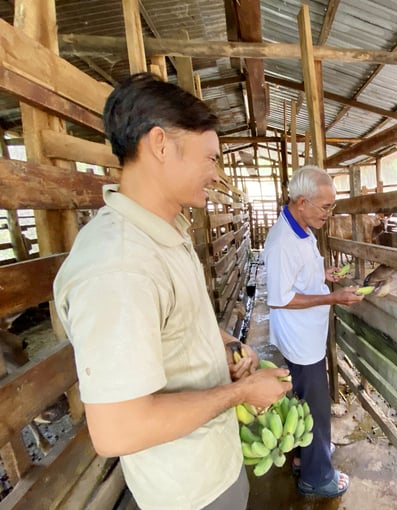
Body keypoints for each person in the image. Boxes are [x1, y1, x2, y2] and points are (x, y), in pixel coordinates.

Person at [53, 73, 291, 510]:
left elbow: (185, 320)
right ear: (161, 144)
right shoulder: (118, 266)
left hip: (214, 464)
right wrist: (241, 393)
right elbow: (117, 430)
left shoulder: (166, 233)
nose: (216, 175)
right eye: (210, 158)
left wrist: (232, 346)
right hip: (188, 493)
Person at [262, 165, 364, 498]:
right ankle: (317, 478)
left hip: (308, 335)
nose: (330, 213)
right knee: (315, 404)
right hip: (301, 341)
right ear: (302, 201)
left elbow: (299, 274)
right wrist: (333, 296)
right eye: (326, 206)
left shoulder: (302, 229)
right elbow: (281, 298)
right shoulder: (282, 242)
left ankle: (305, 456)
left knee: (306, 403)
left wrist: (323, 272)